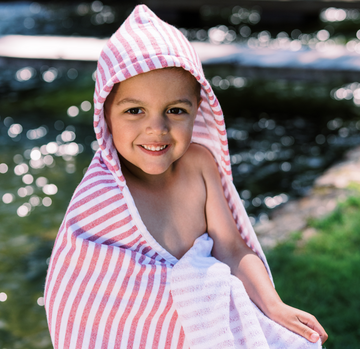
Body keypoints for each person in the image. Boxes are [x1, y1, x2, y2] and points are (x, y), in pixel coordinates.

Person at [44, 5, 327, 349]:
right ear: (105, 114)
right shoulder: (100, 199)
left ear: (198, 110)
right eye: (135, 110)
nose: (157, 129)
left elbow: (233, 249)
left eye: (176, 111)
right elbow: (84, 303)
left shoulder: (199, 165)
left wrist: (273, 305)